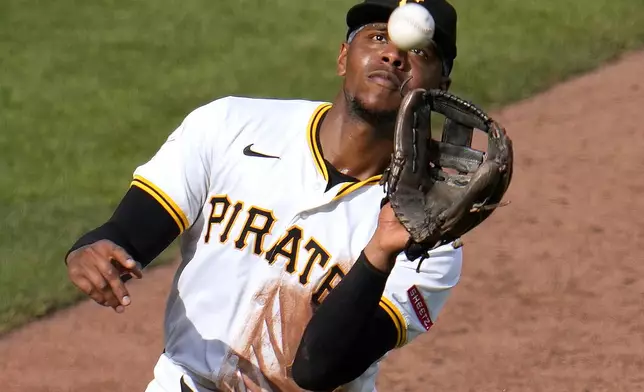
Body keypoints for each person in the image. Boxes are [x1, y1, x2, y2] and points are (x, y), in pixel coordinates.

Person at [64, 0, 463, 390]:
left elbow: (320, 368)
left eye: (418, 52)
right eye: (379, 37)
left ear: (439, 90)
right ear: (343, 57)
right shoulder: (230, 126)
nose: (393, 56)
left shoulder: (429, 235)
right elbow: (127, 234)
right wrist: (91, 250)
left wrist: (379, 250)